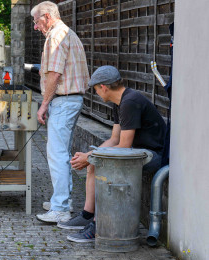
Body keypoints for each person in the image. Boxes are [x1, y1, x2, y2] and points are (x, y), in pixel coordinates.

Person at [57, 65, 167, 243]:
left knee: (104, 165)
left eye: (95, 90)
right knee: (95, 162)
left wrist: (92, 157)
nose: (97, 94)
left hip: (153, 156)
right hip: (136, 152)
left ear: (103, 87)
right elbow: (114, 140)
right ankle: (87, 215)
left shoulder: (130, 102)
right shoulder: (121, 102)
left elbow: (123, 146)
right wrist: (89, 155)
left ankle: (98, 224)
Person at [31, 1, 90, 223]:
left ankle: (61, 208)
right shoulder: (68, 32)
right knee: (61, 153)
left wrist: (44, 104)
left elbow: (54, 74)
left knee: (56, 154)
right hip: (70, 100)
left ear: (46, 16)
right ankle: (62, 199)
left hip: (64, 101)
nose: (36, 27)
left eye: (36, 21)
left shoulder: (56, 35)